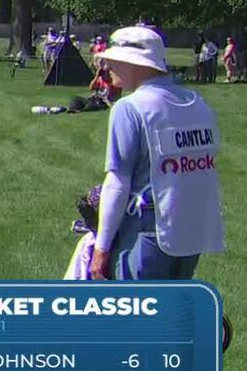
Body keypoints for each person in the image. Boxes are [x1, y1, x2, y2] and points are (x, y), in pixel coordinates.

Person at [87, 27, 223, 281]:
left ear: (133, 63)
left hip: (147, 231)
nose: (107, 66)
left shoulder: (130, 108)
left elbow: (118, 183)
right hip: (191, 229)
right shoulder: (197, 103)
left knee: (138, 314)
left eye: (113, 60)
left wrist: (101, 248)